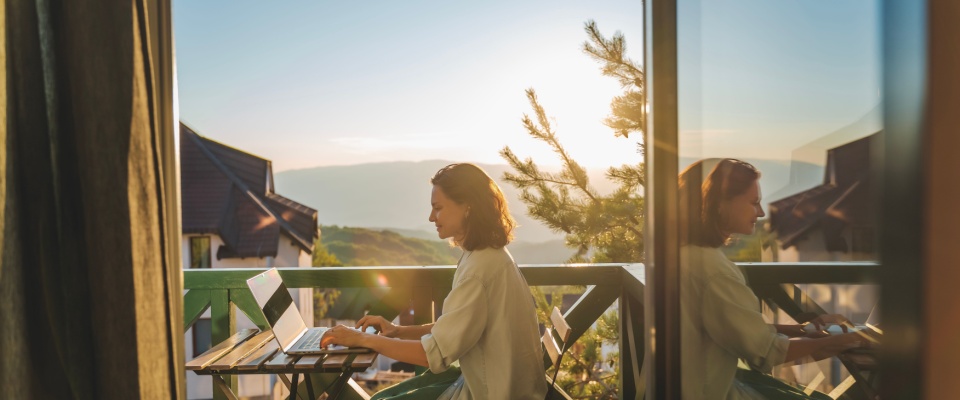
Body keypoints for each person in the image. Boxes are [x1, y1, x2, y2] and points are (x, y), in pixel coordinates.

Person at [322, 163, 547, 400]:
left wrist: (363, 338)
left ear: (467, 207)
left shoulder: (477, 271)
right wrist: (398, 331)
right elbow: (458, 328)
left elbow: (434, 355)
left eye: (438, 208)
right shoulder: (490, 255)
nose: (431, 217)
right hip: (497, 385)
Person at [678, 158, 876, 400]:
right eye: (754, 203)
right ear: (719, 204)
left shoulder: (684, 255)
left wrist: (802, 329)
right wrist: (853, 340)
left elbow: (732, 329)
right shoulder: (714, 272)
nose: (760, 212)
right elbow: (767, 353)